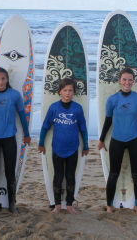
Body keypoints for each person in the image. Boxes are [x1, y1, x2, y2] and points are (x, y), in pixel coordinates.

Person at [97, 67, 137, 213]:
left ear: (133, 81)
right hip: (117, 140)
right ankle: (109, 205)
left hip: (135, 140)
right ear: (119, 81)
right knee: (114, 174)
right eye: (124, 79)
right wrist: (101, 139)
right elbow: (108, 121)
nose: (127, 82)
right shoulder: (112, 100)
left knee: (136, 174)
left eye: (130, 80)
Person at [0, 67, 31, 213]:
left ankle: (12, 203)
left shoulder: (14, 95)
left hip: (9, 138)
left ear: (7, 79)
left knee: (10, 172)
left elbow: (22, 115)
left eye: (3, 78)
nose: (1, 82)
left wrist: (27, 134)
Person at [39, 78, 89, 214]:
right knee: (58, 176)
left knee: (71, 176)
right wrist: (41, 143)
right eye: (65, 90)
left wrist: (86, 145)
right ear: (59, 92)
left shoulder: (77, 109)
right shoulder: (54, 108)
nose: (68, 93)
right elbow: (45, 127)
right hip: (57, 148)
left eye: (70, 90)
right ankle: (56, 205)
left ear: (74, 93)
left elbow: (83, 129)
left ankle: (69, 205)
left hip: (73, 148)